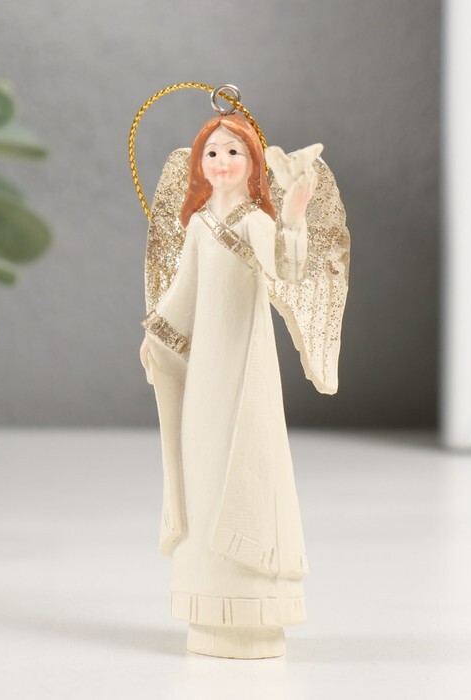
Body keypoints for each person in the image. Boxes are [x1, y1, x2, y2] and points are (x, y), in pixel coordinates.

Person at [139, 113, 323, 658]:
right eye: (212, 153)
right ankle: (207, 600)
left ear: (253, 163)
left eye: (233, 152)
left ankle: (252, 601)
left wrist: (294, 215)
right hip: (205, 373)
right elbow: (184, 290)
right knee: (203, 466)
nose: (221, 162)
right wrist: (158, 335)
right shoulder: (199, 225)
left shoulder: (254, 222)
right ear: (200, 163)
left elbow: (287, 271)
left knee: (246, 461)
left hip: (245, 364)